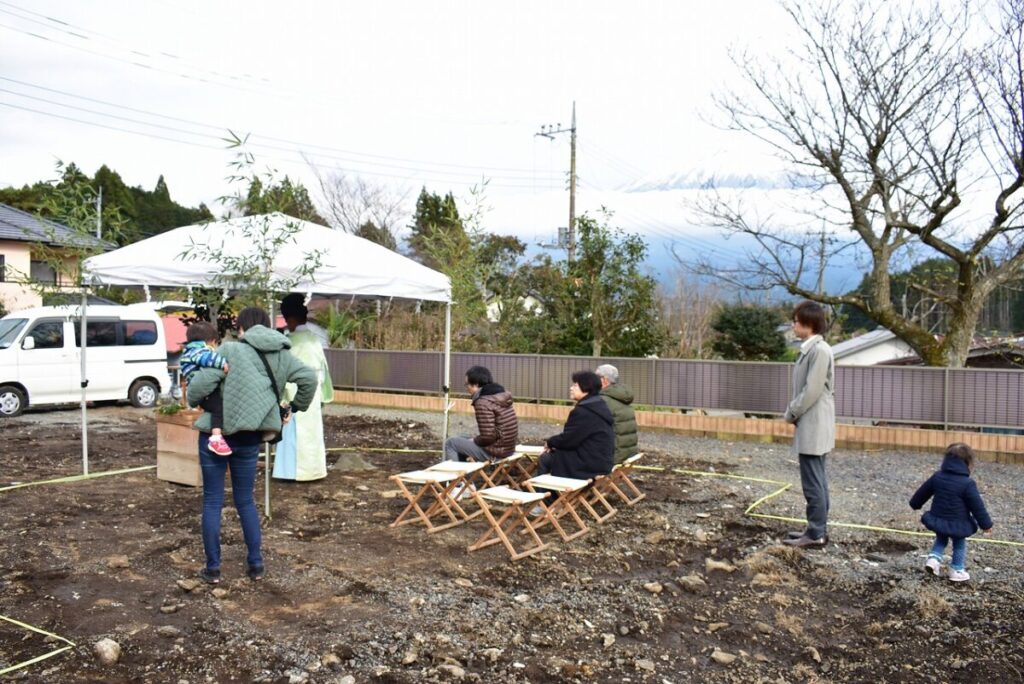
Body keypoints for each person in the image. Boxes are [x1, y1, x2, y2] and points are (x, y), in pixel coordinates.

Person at [187, 307, 317, 584]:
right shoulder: (284, 354)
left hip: (216, 433)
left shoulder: (230, 350)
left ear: (241, 328)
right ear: (268, 326)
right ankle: (256, 564)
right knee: (245, 500)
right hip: (251, 436)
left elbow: (199, 388)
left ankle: (213, 569)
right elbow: (309, 378)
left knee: (212, 500)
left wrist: (196, 396)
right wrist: (295, 406)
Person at [782, 300, 836, 549]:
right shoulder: (813, 349)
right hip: (812, 422)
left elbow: (811, 389)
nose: (793, 325)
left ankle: (816, 533)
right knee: (816, 479)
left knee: (813, 481)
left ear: (809, 324)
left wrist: (792, 412)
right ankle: (816, 529)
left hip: (814, 423)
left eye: (796, 321)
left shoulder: (820, 350)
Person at [910, 443, 993, 582]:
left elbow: (923, 492)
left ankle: (933, 560)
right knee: (959, 544)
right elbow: (977, 506)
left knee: (941, 539)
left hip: (939, 518)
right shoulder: (967, 483)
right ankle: (957, 569)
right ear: (967, 463)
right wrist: (986, 525)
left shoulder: (937, 476)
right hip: (958, 523)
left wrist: (915, 504)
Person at [273, 294, 334, 481]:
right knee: (311, 436)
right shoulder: (314, 341)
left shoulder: (291, 343)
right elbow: (323, 372)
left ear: (290, 318)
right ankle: (313, 471)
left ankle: (292, 473)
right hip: (313, 396)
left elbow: (285, 373)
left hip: (295, 397)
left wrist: (281, 396)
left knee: (295, 437)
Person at [538, 370, 615, 479]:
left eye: (575, 385)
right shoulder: (598, 405)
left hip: (589, 466)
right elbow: (574, 438)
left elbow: (568, 440)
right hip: (601, 461)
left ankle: (545, 493)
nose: (571, 388)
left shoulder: (584, 411)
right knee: (555, 453)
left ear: (586, 388)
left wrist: (550, 442)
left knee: (545, 458)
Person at [443, 365, 518, 462]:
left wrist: (475, 440)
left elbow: (488, 437)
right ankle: (463, 473)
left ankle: (453, 476)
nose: (466, 388)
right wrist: (474, 440)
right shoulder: (498, 394)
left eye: (467, 384)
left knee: (451, 443)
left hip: (495, 453)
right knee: (461, 437)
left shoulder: (482, 402)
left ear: (476, 385)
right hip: (507, 448)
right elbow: (492, 433)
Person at [179, 322, 231, 456]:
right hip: (205, 391)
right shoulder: (198, 351)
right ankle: (216, 437)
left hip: (201, 390)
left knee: (216, 408)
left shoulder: (190, 350)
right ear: (212, 341)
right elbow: (208, 358)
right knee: (219, 407)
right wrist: (223, 363)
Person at [595, 364, 638, 465]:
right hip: (628, 455)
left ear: (604, 380)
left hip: (613, 457)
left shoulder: (603, 401)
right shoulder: (621, 397)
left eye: (595, 377)